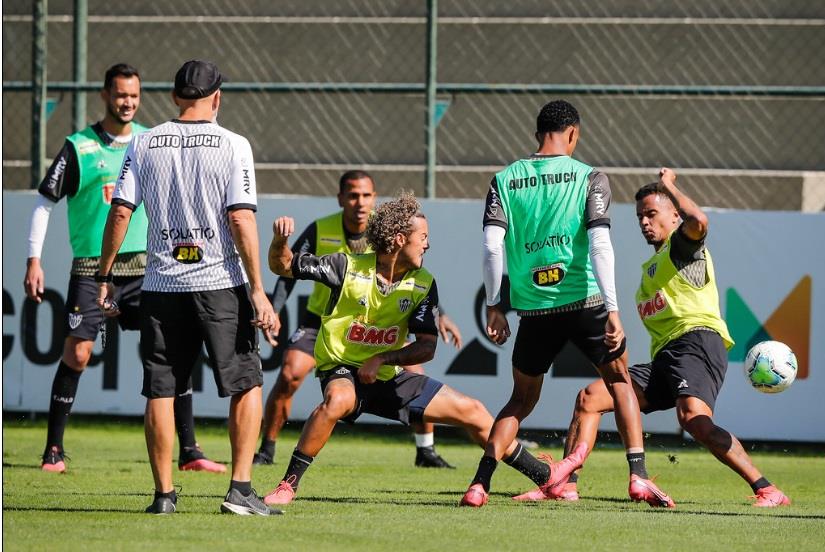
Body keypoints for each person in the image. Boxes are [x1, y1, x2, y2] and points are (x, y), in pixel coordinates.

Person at [261, 193, 585, 506]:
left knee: (474, 412)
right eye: (423, 237)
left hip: (387, 375)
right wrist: (278, 243)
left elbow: (427, 347)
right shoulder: (346, 266)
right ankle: (288, 484)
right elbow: (284, 266)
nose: (428, 244)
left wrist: (383, 357)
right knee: (338, 400)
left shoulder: (423, 283)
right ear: (400, 239)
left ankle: (546, 476)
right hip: (342, 368)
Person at [460, 100, 674, 508]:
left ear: (537, 133)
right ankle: (639, 477)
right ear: (573, 133)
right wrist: (612, 309)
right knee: (620, 383)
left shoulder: (506, 179)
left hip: (535, 309)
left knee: (520, 400)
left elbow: (491, 245)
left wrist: (494, 304)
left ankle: (479, 484)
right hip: (586, 299)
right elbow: (599, 244)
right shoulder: (590, 177)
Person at [96, 60, 281, 515]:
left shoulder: (143, 142)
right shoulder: (234, 144)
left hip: (161, 285)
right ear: (216, 97)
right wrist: (258, 289)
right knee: (245, 383)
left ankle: (164, 495)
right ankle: (239, 491)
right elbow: (240, 217)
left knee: (161, 388)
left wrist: (103, 277)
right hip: (220, 282)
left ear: (176, 97)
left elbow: (120, 212)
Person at [23, 63, 224, 475]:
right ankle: (53, 451)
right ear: (104, 95)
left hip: (150, 267)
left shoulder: (152, 142)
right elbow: (45, 201)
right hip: (93, 268)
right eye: (120, 95)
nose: (127, 102)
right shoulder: (79, 147)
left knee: (173, 355)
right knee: (78, 353)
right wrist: (33, 259)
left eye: (133, 95)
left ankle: (189, 452)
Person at [556, 169, 791, 507]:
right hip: (666, 356)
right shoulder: (650, 269)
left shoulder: (681, 247)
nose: (644, 222)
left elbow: (699, 220)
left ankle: (767, 489)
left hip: (697, 343)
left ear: (674, 216)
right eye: (639, 216)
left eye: (651, 213)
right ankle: (565, 485)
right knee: (590, 398)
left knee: (695, 421)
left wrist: (669, 185)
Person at [253, 170, 462, 469]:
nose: (360, 202)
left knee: (415, 370)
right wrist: (273, 307)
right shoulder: (321, 228)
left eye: (366, 195)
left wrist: (439, 316)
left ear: (374, 198)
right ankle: (267, 448)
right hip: (324, 320)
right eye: (352, 195)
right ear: (341, 198)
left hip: (378, 323)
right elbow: (289, 267)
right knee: (289, 374)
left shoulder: (390, 228)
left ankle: (425, 450)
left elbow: (412, 279)